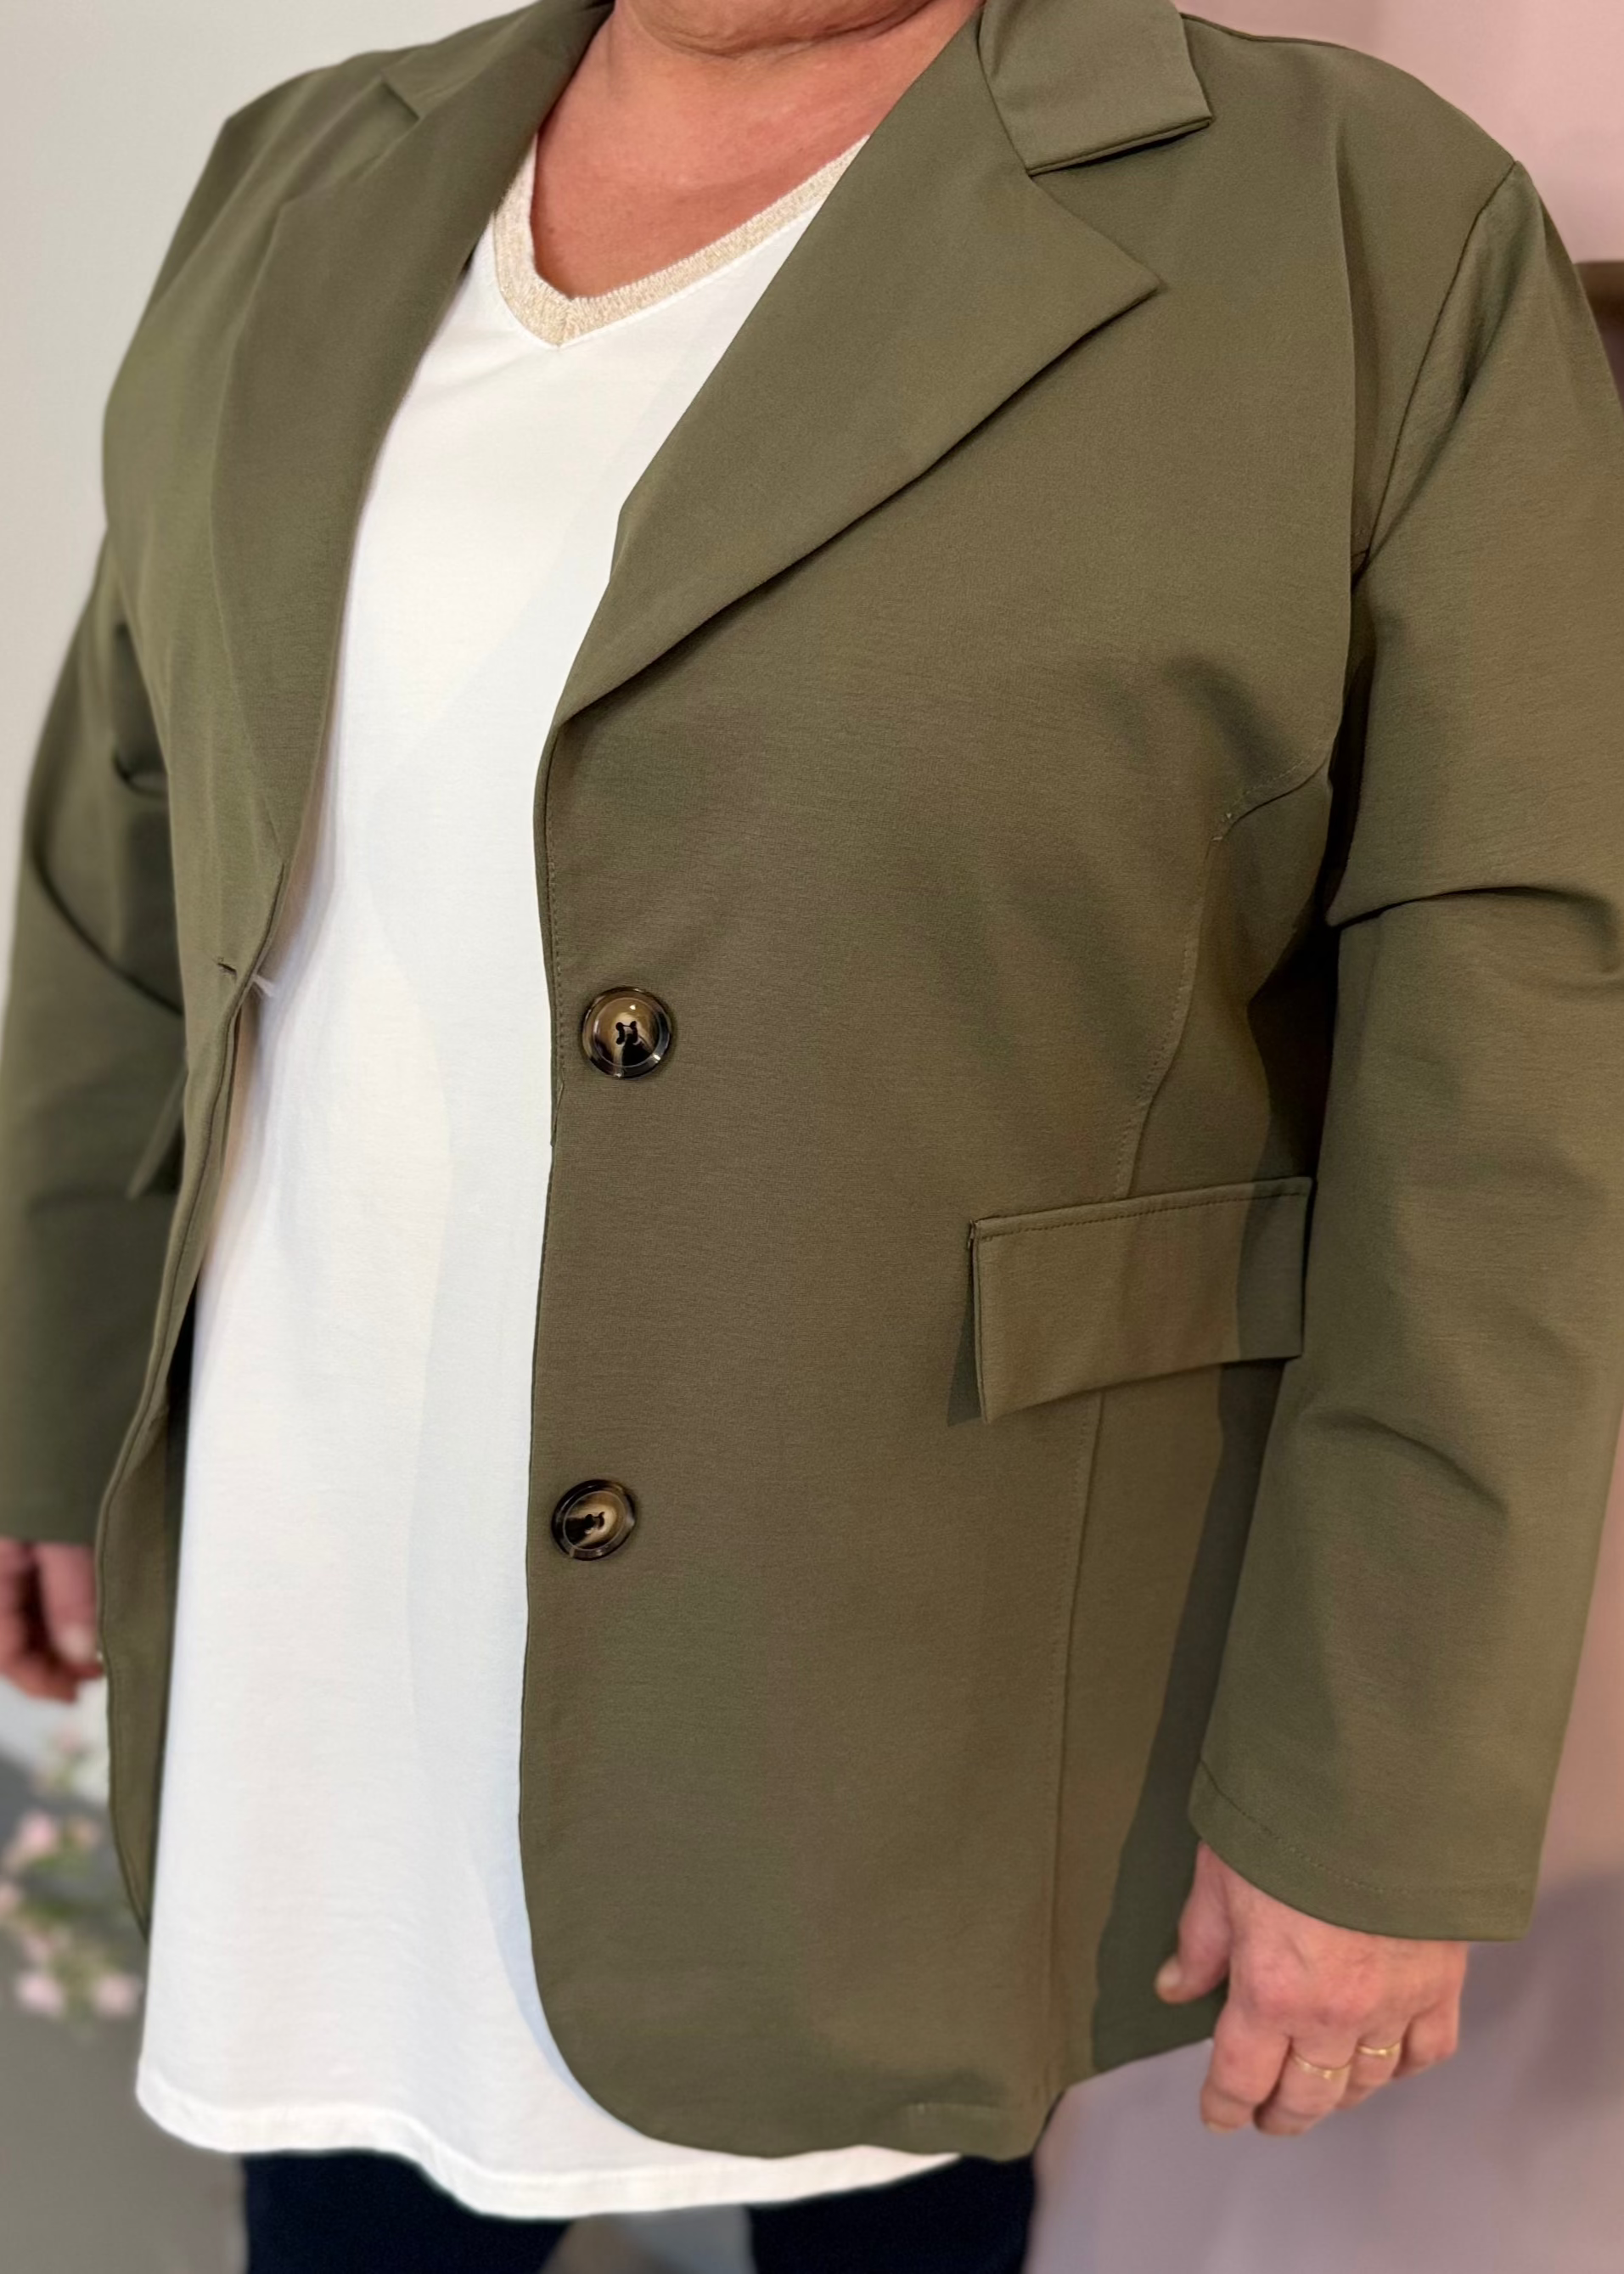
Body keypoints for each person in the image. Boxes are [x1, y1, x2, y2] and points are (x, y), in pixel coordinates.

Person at [2, 0, 1622, 2266]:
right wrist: (56, 1402)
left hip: (910, 1666)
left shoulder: (1365, 227)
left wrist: (1382, 1778)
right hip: (319, 1613)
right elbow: (123, 855)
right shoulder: (304, 175)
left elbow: (1509, 1080)